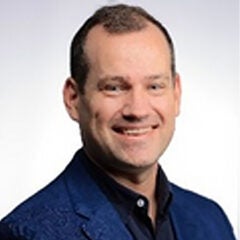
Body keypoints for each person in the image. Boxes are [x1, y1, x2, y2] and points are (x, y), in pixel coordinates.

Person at [0, 4, 236, 240]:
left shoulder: (211, 220)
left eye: (154, 86)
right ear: (73, 98)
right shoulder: (27, 233)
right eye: (113, 87)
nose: (138, 110)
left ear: (176, 94)